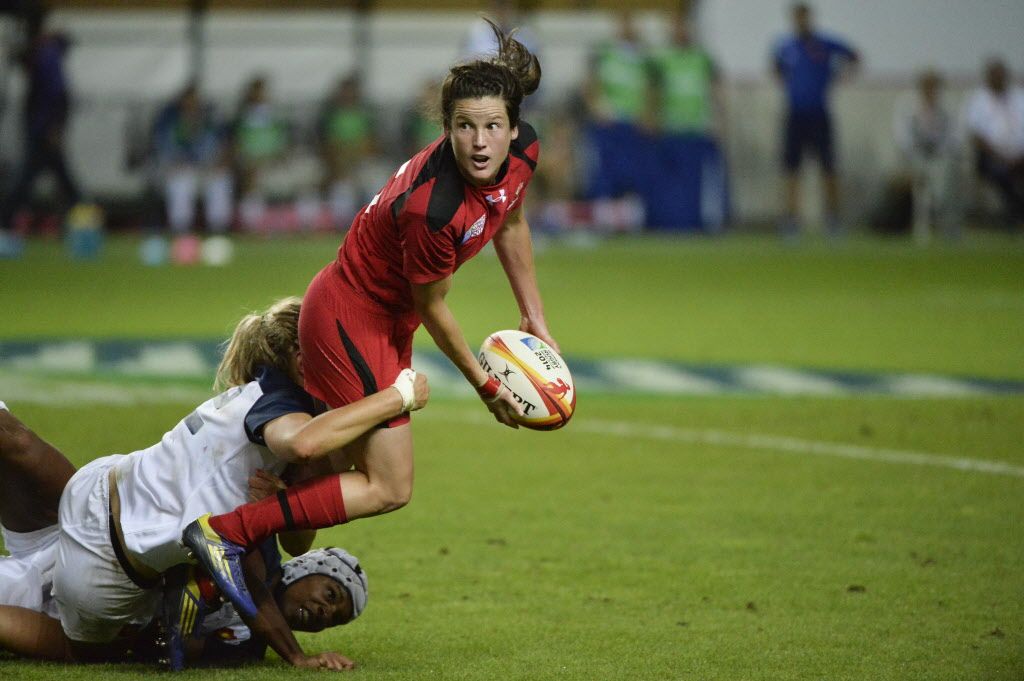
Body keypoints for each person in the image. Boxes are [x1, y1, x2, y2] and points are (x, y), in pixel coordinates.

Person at [181, 20, 558, 620]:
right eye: (465, 127)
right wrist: (488, 386)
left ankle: (266, 510)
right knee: (390, 485)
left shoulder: (522, 156)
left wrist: (534, 317)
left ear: (516, 128)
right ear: (446, 129)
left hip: (384, 320)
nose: (481, 143)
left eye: (492, 127)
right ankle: (227, 530)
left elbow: (510, 220)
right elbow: (433, 306)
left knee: (336, 473)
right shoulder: (434, 209)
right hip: (350, 316)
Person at [0, 297, 428, 670]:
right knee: (87, 651)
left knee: (18, 443)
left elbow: (300, 540)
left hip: (100, 487)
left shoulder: (260, 391)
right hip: (111, 561)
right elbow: (304, 446)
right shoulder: (283, 413)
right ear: (302, 356)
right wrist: (396, 396)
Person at [0, 404, 369, 670]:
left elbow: (178, 648)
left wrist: (180, 624)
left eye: (333, 620)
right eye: (331, 595)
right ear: (305, 568)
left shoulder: (246, 646)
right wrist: (296, 656)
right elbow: (245, 577)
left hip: (100, 590)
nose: (324, 613)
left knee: (88, 646)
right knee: (21, 446)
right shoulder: (263, 542)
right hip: (99, 540)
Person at [0, 5, 82, 259]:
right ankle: (86, 226)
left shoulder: (46, 54)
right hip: (44, 128)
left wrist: (52, 127)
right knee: (63, 182)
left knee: (26, 183)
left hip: (42, 129)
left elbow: (56, 95)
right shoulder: (46, 52)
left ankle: (4, 227)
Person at [772, 2, 859, 238]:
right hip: (795, 114)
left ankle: (833, 219)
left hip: (819, 113)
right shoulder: (786, 46)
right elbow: (776, 68)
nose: (801, 22)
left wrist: (837, 77)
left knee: (828, 168)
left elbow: (853, 55)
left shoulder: (825, 44)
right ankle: (792, 221)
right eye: (797, 18)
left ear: (809, 19)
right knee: (792, 170)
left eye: (804, 17)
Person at [646, 10, 728, 232]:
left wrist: (721, 122)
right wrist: (651, 117)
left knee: (697, 184)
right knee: (671, 184)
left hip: (697, 129)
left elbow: (715, 90)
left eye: (683, 27)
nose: (680, 32)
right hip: (671, 128)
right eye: (676, 27)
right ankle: (672, 224)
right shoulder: (663, 60)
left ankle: (699, 224)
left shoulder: (702, 58)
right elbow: (654, 90)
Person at [151, 82, 234, 265]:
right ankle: (182, 231)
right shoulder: (169, 119)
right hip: (179, 167)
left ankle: (218, 231)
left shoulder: (209, 118)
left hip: (206, 167)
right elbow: (163, 148)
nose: (192, 103)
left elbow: (222, 144)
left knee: (220, 180)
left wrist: (218, 163)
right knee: (181, 183)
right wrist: (176, 163)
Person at [581, 9, 653, 202]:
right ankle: (604, 212)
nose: (627, 28)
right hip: (610, 122)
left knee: (634, 171)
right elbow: (590, 83)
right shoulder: (605, 52)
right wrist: (596, 108)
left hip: (634, 123)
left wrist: (647, 114)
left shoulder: (643, 57)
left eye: (631, 23)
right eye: (624, 22)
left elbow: (649, 88)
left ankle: (632, 216)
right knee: (607, 171)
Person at [892, 69, 960, 242]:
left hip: (939, 156)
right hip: (915, 156)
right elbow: (902, 137)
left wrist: (939, 152)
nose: (930, 90)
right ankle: (920, 228)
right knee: (920, 188)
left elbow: (953, 137)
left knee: (943, 184)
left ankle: (948, 226)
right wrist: (915, 154)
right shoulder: (907, 105)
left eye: (934, 86)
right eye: (927, 86)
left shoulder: (947, 107)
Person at [965, 58, 1024, 233]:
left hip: (1020, 156)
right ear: (988, 77)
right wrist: (1002, 157)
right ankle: (1016, 215)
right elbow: (976, 136)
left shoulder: (1019, 97)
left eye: (1001, 75)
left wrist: (1018, 156)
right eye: (994, 75)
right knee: (1001, 174)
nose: (998, 78)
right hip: (991, 157)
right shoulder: (978, 100)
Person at [317, 73, 378, 228]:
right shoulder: (330, 115)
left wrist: (358, 156)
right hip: (339, 163)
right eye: (345, 91)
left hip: (361, 162)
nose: (348, 95)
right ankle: (342, 227)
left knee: (375, 182)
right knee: (342, 188)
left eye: (351, 91)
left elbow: (373, 143)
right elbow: (326, 144)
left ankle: (374, 226)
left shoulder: (366, 115)